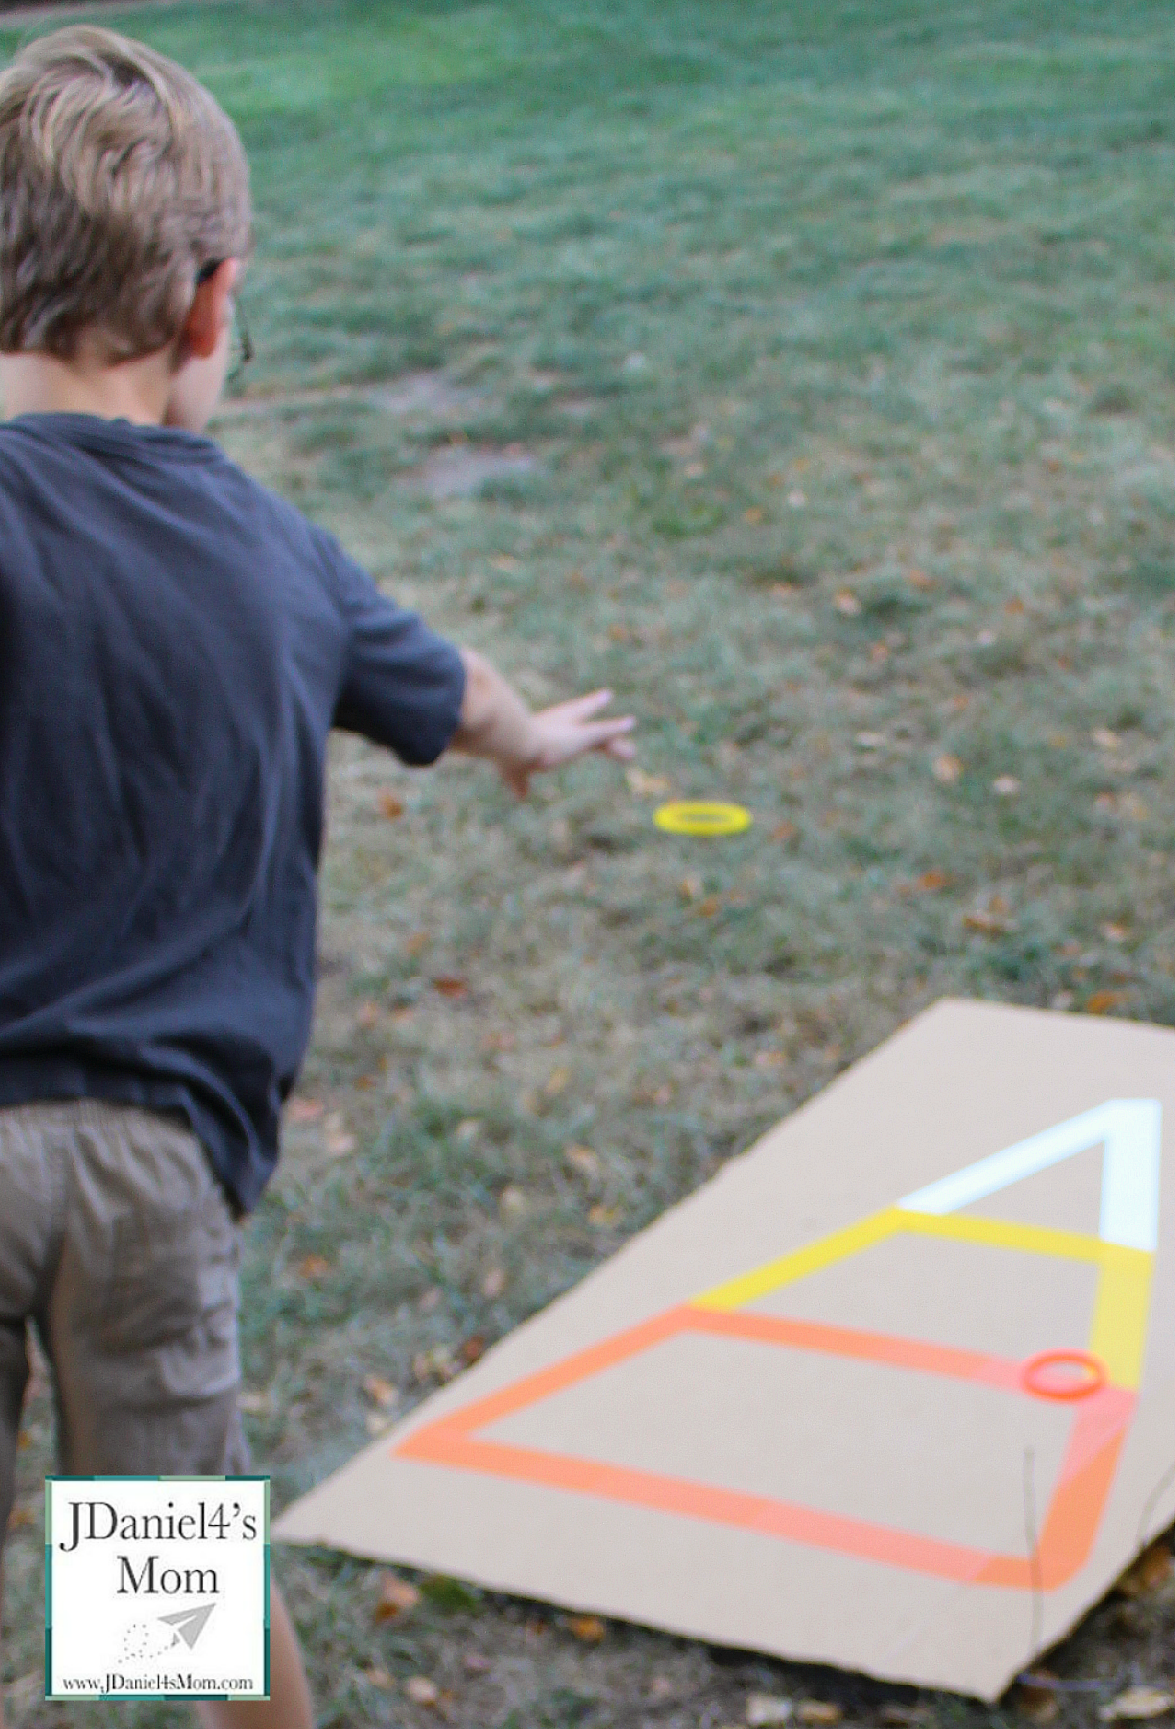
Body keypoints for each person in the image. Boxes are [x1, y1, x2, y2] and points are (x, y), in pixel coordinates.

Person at [0, 25, 634, 1727]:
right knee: (170, 1583)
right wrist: (530, 742)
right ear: (213, 309)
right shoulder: (283, 557)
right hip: (153, 1183)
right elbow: (451, 693)